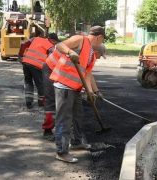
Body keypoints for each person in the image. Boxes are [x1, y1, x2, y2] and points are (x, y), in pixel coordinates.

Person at [49, 26, 105, 163]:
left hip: (75, 89)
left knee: (78, 116)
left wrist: (91, 92)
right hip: (64, 86)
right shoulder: (80, 39)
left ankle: (77, 141)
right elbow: (59, 45)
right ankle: (62, 152)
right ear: (100, 37)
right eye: (102, 40)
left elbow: (87, 74)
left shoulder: (90, 53)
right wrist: (69, 51)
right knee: (64, 120)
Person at [42, 43, 106, 141]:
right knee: (52, 102)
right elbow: (86, 74)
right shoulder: (87, 52)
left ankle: (74, 138)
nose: (100, 58)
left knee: (73, 109)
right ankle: (48, 130)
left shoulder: (90, 56)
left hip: (62, 74)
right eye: (100, 55)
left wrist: (96, 91)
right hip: (51, 68)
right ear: (96, 52)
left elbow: (89, 74)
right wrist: (90, 92)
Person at [19, 33, 60, 108]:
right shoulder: (51, 46)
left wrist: (21, 56)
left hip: (26, 62)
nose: (55, 44)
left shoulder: (36, 39)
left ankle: (28, 101)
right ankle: (41, 101)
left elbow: (23, 43)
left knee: (28, 82)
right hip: (37, 66)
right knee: (40, 84)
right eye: (55, 42)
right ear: (52, 40)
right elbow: (51, 60)